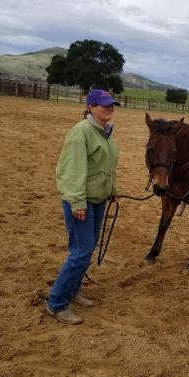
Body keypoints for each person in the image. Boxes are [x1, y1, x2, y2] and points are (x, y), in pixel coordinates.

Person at [47, 89, 120, 324]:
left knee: (87, 249)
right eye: (104, 105)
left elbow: (105, 167)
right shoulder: (81, 133)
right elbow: (72, 171)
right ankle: (56, 303)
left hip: (98, 199)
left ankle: (73, 290)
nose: (109, 108)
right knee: (80, 252)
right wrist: (77, 202)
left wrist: (112, 191)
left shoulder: (106, 133)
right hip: (82, 201)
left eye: (111, 104)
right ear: (91, 107)